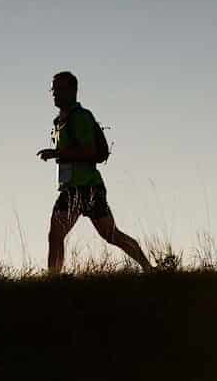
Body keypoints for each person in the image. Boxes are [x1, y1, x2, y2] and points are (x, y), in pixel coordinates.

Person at [38, 71, 153, 274]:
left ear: (72, 90)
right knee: (59, 234)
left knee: (108, 234)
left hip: (87, 186)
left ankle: (148, 268)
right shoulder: (58, 121)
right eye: (53, 89)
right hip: (72, 187)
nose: (54, 93)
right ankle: (53, 278)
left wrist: (57, 152)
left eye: (59, 88)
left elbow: (89, 151)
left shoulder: (81, 117)